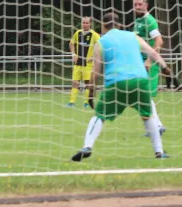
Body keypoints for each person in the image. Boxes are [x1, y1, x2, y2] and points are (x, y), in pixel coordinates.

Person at [72, 12, 171, 162]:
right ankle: (159, 152)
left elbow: (95, 72)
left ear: (103, 26)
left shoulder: (101, 42)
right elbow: (152, 52)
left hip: (116, 82)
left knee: (100, 116)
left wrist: (91, 92)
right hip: (139, 80)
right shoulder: (132, 36)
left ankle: (87, 146)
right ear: (119, 25)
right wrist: (166, 70)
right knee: (147, 115)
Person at [132, 0, 166, 137]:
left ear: (146, 5)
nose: (137, 7)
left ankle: (157, 126)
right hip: (140, 63)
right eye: (135, 4)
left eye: (140, 4)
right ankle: (156, 125)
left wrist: (149, 61)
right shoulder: (138, 21)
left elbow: (159, 41)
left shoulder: (149, 21)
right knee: (142, 95)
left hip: (149, 64)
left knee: (145, 95)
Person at [66, 17, 100, 108]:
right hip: (78, 64)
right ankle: (72, 102)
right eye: (83, 23)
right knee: (75, 83)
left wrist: (93, 56)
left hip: (88, 65)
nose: (85, 24)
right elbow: (71, 43)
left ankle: (86, 103)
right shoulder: (78, 33)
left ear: (90, 24)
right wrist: (73, 54)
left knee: (88, 83)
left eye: (86, 23)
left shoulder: (95, 35)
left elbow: (101, 47)